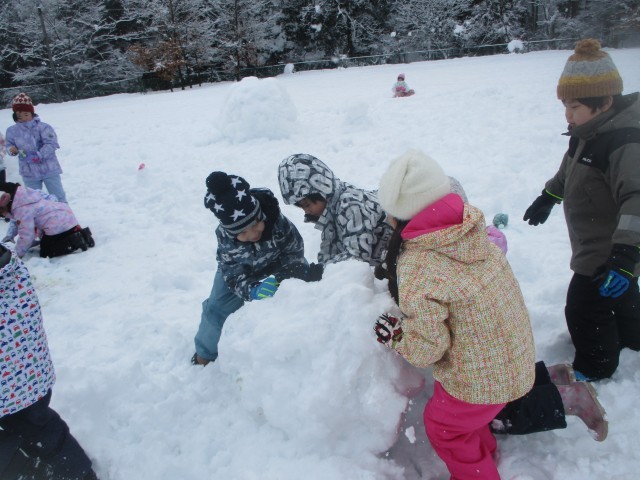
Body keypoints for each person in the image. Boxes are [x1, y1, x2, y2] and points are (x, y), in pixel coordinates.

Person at [374, 150, 608, 480]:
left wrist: (397, 335)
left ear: (403, 214)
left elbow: (428, 349)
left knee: (444, 427)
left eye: (390, 212)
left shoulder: (419, 263)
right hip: (515, 360)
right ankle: (486, 457)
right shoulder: (470, 227)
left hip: (480, 382)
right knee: (467, 422)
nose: (387, 219)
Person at [523, 39, 640, 382]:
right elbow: (569, 171)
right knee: (622, 295)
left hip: (610, 249)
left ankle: (595, 366)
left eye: (574, 106)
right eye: (565, 105)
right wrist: (549, 195)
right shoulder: (587, 133)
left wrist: (624, 255)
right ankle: (633, 341)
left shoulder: (623, 143)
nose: (567, 114)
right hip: (600, 243)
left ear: (605, 102)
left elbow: (636, 198)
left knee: (584, 307)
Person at [192, 171, 321, 366]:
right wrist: (252, 290)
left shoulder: (277, 222)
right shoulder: (226, 240)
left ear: (261, 215)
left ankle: (306, 331)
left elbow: (294, 250)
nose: (252, 234)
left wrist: (288, 273)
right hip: (241, 271)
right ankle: (205, 352)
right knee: (217, 307)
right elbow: (232, 274)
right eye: (242, 233)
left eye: (255, 225)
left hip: (278, 262)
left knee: (300, 284)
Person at [0, 243, 98, 480]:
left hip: (6, 389)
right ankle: (78, 472)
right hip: (32, 377)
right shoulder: (11, 269)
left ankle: (23, 468)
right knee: (41, 423)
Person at [278, 153, 395, 268]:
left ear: (321, 190)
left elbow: (357, 256)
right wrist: (321, 270)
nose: (306, 211)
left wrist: (322, 270)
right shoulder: (332, 209)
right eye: (302, 207)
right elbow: (331, 251)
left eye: (307, 205)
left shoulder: (351, 205)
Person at [0, 182, 94, 258]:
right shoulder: (25, 196)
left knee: (46, 252)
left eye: (2, 214)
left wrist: (15, 255)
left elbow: (26, 236)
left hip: (57, 224)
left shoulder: (21, 210)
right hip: (66, 216)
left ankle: (75, 242)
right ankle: (80, 234)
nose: (4, 216)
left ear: (4, 208)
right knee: (45, 242)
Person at [4, 92, 68, 203]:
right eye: (19, 115)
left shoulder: (43, 127)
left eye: (26, 114)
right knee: (33, 199)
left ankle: (64, 213)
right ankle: (40, 214)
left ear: (32, 113)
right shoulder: (12, 131)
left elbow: (51, 143)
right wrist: (11, 150)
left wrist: (39, 155)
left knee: (58, 196)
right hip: (28, 171)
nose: (23, 118)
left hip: (49, 168)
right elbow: (8, 145)